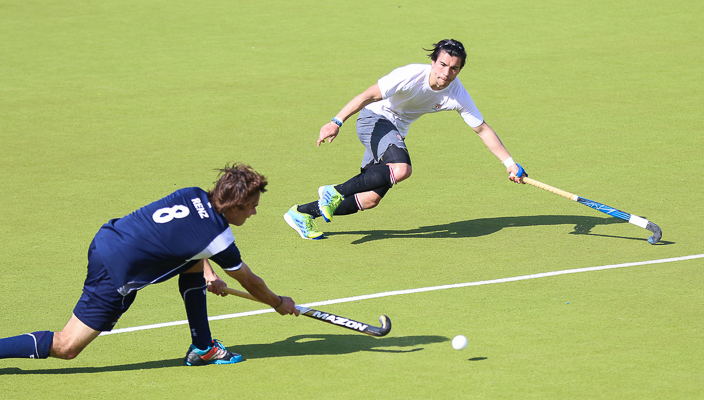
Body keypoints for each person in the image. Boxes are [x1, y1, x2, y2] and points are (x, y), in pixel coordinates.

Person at [0, 163, 299, 366]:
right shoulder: (219, 238)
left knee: (194, 265)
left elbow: (186, 239)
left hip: (107, 239)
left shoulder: (192, 194)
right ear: (234, 206)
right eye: (252, 207)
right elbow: (251, 282)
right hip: (116, 271)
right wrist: (277, 302)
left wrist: (207, 271)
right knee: (67, 346)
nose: (254, 213)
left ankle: (203, 347)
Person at [284, 39, 527, 240]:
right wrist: (336, 122)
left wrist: (509, 163)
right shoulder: (410, 75)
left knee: (369, 199)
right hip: (375, 119)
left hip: (394, 131)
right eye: (442, 64)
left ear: (459, 70)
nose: (446, 73)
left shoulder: (457, 94)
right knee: (401, 169)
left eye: (454, 68)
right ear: (433, 61)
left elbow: (482, 129)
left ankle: (302, 213)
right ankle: (332, 192)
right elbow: (367, 95)